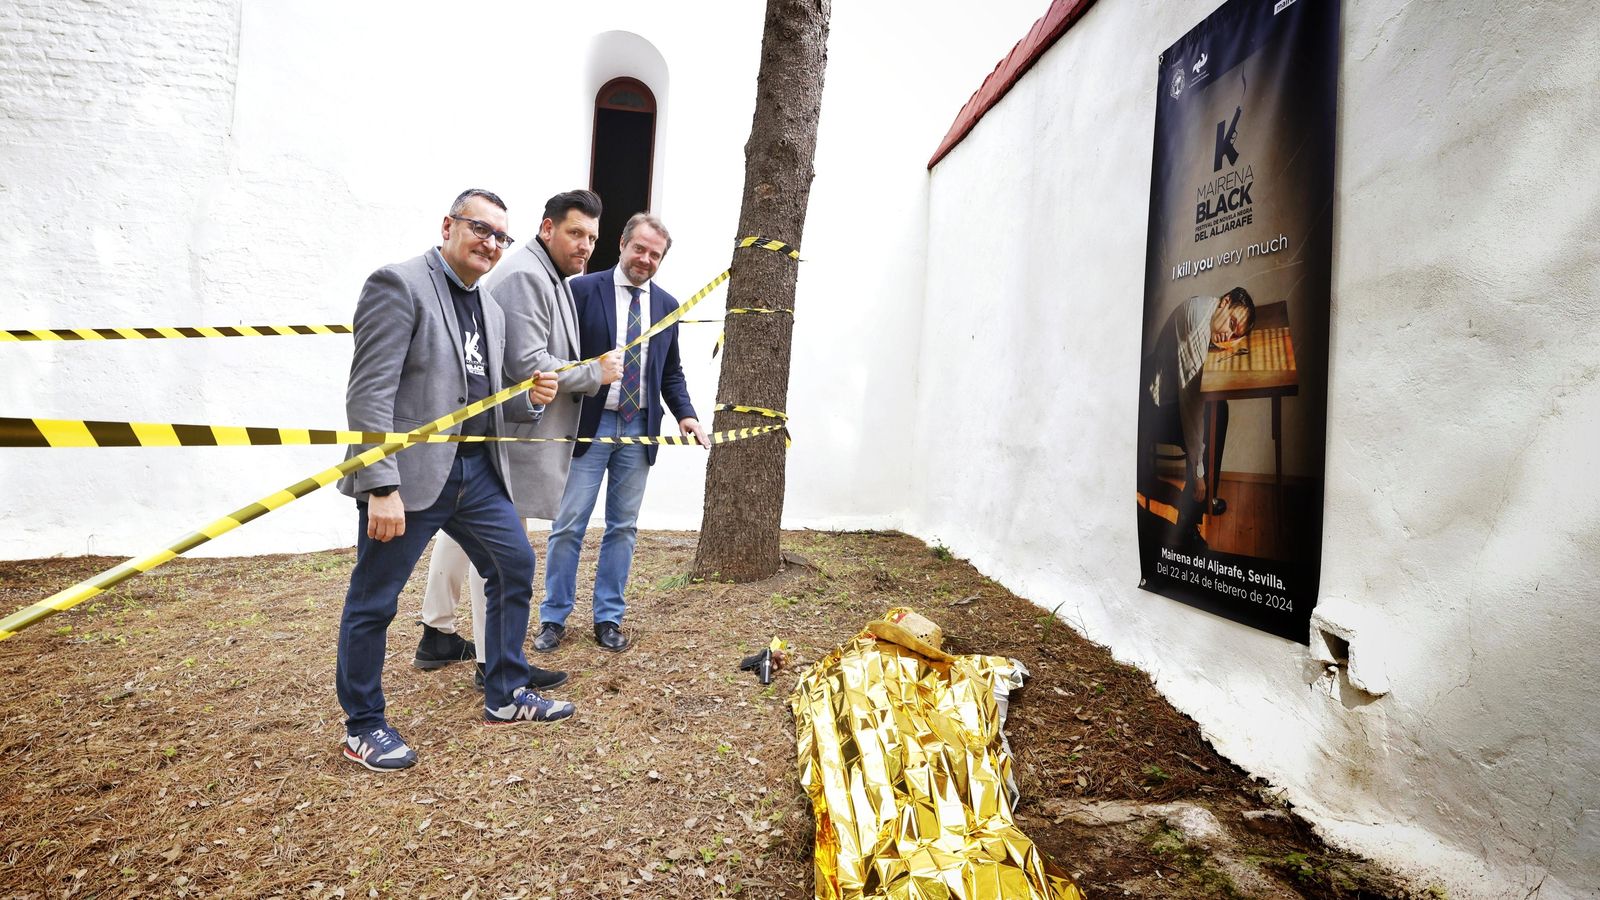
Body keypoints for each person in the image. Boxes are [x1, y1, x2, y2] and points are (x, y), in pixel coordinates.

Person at [334, 189, 575, 773]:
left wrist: (531, 400)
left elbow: (486, 400)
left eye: (500, 236)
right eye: (480, 229)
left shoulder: (489, 307)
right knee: (375, 600)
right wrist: (380, 486)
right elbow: (369, 395)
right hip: (411, 477)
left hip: (476, 473)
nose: (490, 244)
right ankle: (363, 726)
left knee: (514, 565)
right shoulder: (398, 285)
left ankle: (506, 693)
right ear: (448, 226)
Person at [413, 190, 622, 691]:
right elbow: (527, 364)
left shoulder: (548, 274)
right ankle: (495, 662)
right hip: (513, 434)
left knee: (461, 534)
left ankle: (437, 632)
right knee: (502, 549)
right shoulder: (528, 275)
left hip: (509, 433)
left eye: (592, 238)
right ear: (547, 228)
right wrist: (594, 372)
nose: (585, 246)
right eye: (575, 233)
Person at [533, 212, 709, 654]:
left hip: (638, 428)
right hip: (589, 425)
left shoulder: (667, 306)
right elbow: (558, 355)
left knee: (623, 528)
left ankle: (608, 618)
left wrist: (686, 414)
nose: (645, 259)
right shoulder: (580, 291)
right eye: (639, 248)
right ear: (622, 244)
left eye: (655, 254)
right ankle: (553, 618)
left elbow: (670, 372)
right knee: (568, 524)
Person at [1137, 287, 1255, 548]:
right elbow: (1191, 410)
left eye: (1236, 334)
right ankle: (1187, 527)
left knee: (1220, 409)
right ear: (1225, 302)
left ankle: (1205, 499)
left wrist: (1232, 337)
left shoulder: (1212, 310)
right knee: (1208, 425)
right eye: (1232, 324)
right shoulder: (1197, 328)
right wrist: (1198, 472)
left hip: (1169, 387)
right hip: (1156, 404)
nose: (1229, 336)